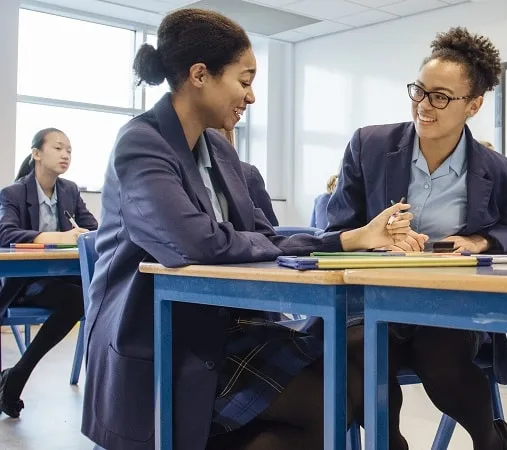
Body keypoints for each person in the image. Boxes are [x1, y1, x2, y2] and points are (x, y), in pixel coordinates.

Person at [80, 9, 411, 450]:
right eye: (244, 79)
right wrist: (257, 244)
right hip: (165, 340)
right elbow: (196, 242)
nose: (251, 97)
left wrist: (353, 238)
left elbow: (263, 234)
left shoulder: (217, 146)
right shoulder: (141, 143)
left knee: (355, 376)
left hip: (222, 326)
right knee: (321, 399)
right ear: (200, 75)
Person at [327, 26, 507, 450]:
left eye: (440, 97)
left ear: (473, 105)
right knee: (358, 349)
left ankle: (490, 437)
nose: (424, 106)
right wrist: (372, 238)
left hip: (448, 302)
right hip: (373, 301)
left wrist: (478, 242)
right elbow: (335, 230)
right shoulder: (369, 145)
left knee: (440, 355)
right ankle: (392, 443)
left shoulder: (501, 172)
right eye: (419, 91)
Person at [0, 128, 97, 418]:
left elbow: (92, 229)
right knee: (78, 298)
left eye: (69, 150)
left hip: (58, 282)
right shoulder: (13, 193)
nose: (65, 154)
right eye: (58, 148)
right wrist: (59, 237)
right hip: (21, 286)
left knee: (83, 296)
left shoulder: (69, 190)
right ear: (37, 154)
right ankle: (15, 378)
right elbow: (5, 233)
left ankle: (16, 375)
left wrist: (82, 233)